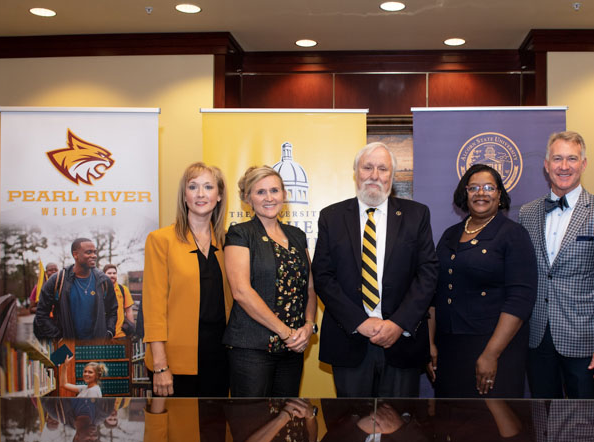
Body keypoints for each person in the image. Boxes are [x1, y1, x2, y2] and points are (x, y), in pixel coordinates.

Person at [312, 142, 438, 397]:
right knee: (350, 427)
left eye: (383, 169)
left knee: (400, 430)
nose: (374, 175)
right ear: (356, 172)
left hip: (402, 340)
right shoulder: (331, 217)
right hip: (349, 339)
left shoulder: (417, 215)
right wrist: (359, 322)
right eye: (367, 167)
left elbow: (427, 274)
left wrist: (398, 323)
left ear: (392, 176)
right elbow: (324, 276)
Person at [517, 131, 594, 399]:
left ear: (583, 164)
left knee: (588, 426)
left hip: (587, 345)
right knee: (543, 422)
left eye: (571, 158)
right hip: (537, 339)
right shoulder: (528, 212)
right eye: (557, 159)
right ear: (546, 165)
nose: (564, 166)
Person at [428, 164, 537, 397]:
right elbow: (434, 293)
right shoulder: (450, 234)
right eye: (473, 188)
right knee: (453, 425)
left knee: (492, 426)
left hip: (494, 347)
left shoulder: (513, 234)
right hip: (449, 348)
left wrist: (490, 354)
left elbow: (520, 300)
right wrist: (430, 343)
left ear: (499, 195)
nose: (481, 193)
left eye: (489, 187)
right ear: (464, 193)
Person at [224, 166, 317, 397]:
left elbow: (310, 286)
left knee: (288, 423)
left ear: (284, 195)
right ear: (248, 199)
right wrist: (285, 332)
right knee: (252, 422)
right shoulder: (240, 234)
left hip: (293, 348)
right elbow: (241, 291)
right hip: (252, 349)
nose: (269, 198)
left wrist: (308, 326)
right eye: (260, 192)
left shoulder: (296, 235)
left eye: (274, 190)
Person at [142, 162, 233, 397]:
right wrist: (161, 365)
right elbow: (153, 308)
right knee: (177, 432)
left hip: (221, 358)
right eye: (193, 187)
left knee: (216, 431)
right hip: (174, 360)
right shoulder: (160, 240)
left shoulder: (229, 243)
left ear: (219, 195)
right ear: (184, 195)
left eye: (208, 187)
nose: (201, 194)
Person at [33, 238, 118, 340]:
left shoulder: (103, 281)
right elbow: (41, 314)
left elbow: (112, 310)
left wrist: (109, 332)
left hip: (97, 347)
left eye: (95, 252)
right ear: (75, 255)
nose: (94, 256)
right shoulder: (57, 280)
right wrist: (58, 337)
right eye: (88, 252)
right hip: (68, 348)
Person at [103, 264, 135, 338]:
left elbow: (129, 311)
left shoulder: (123, 289)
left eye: (114, 273)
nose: (112, 275)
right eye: (109, 273)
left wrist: (132, 330)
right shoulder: (100, 290)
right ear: (104, 275)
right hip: (105, 335)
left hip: (121, 334)